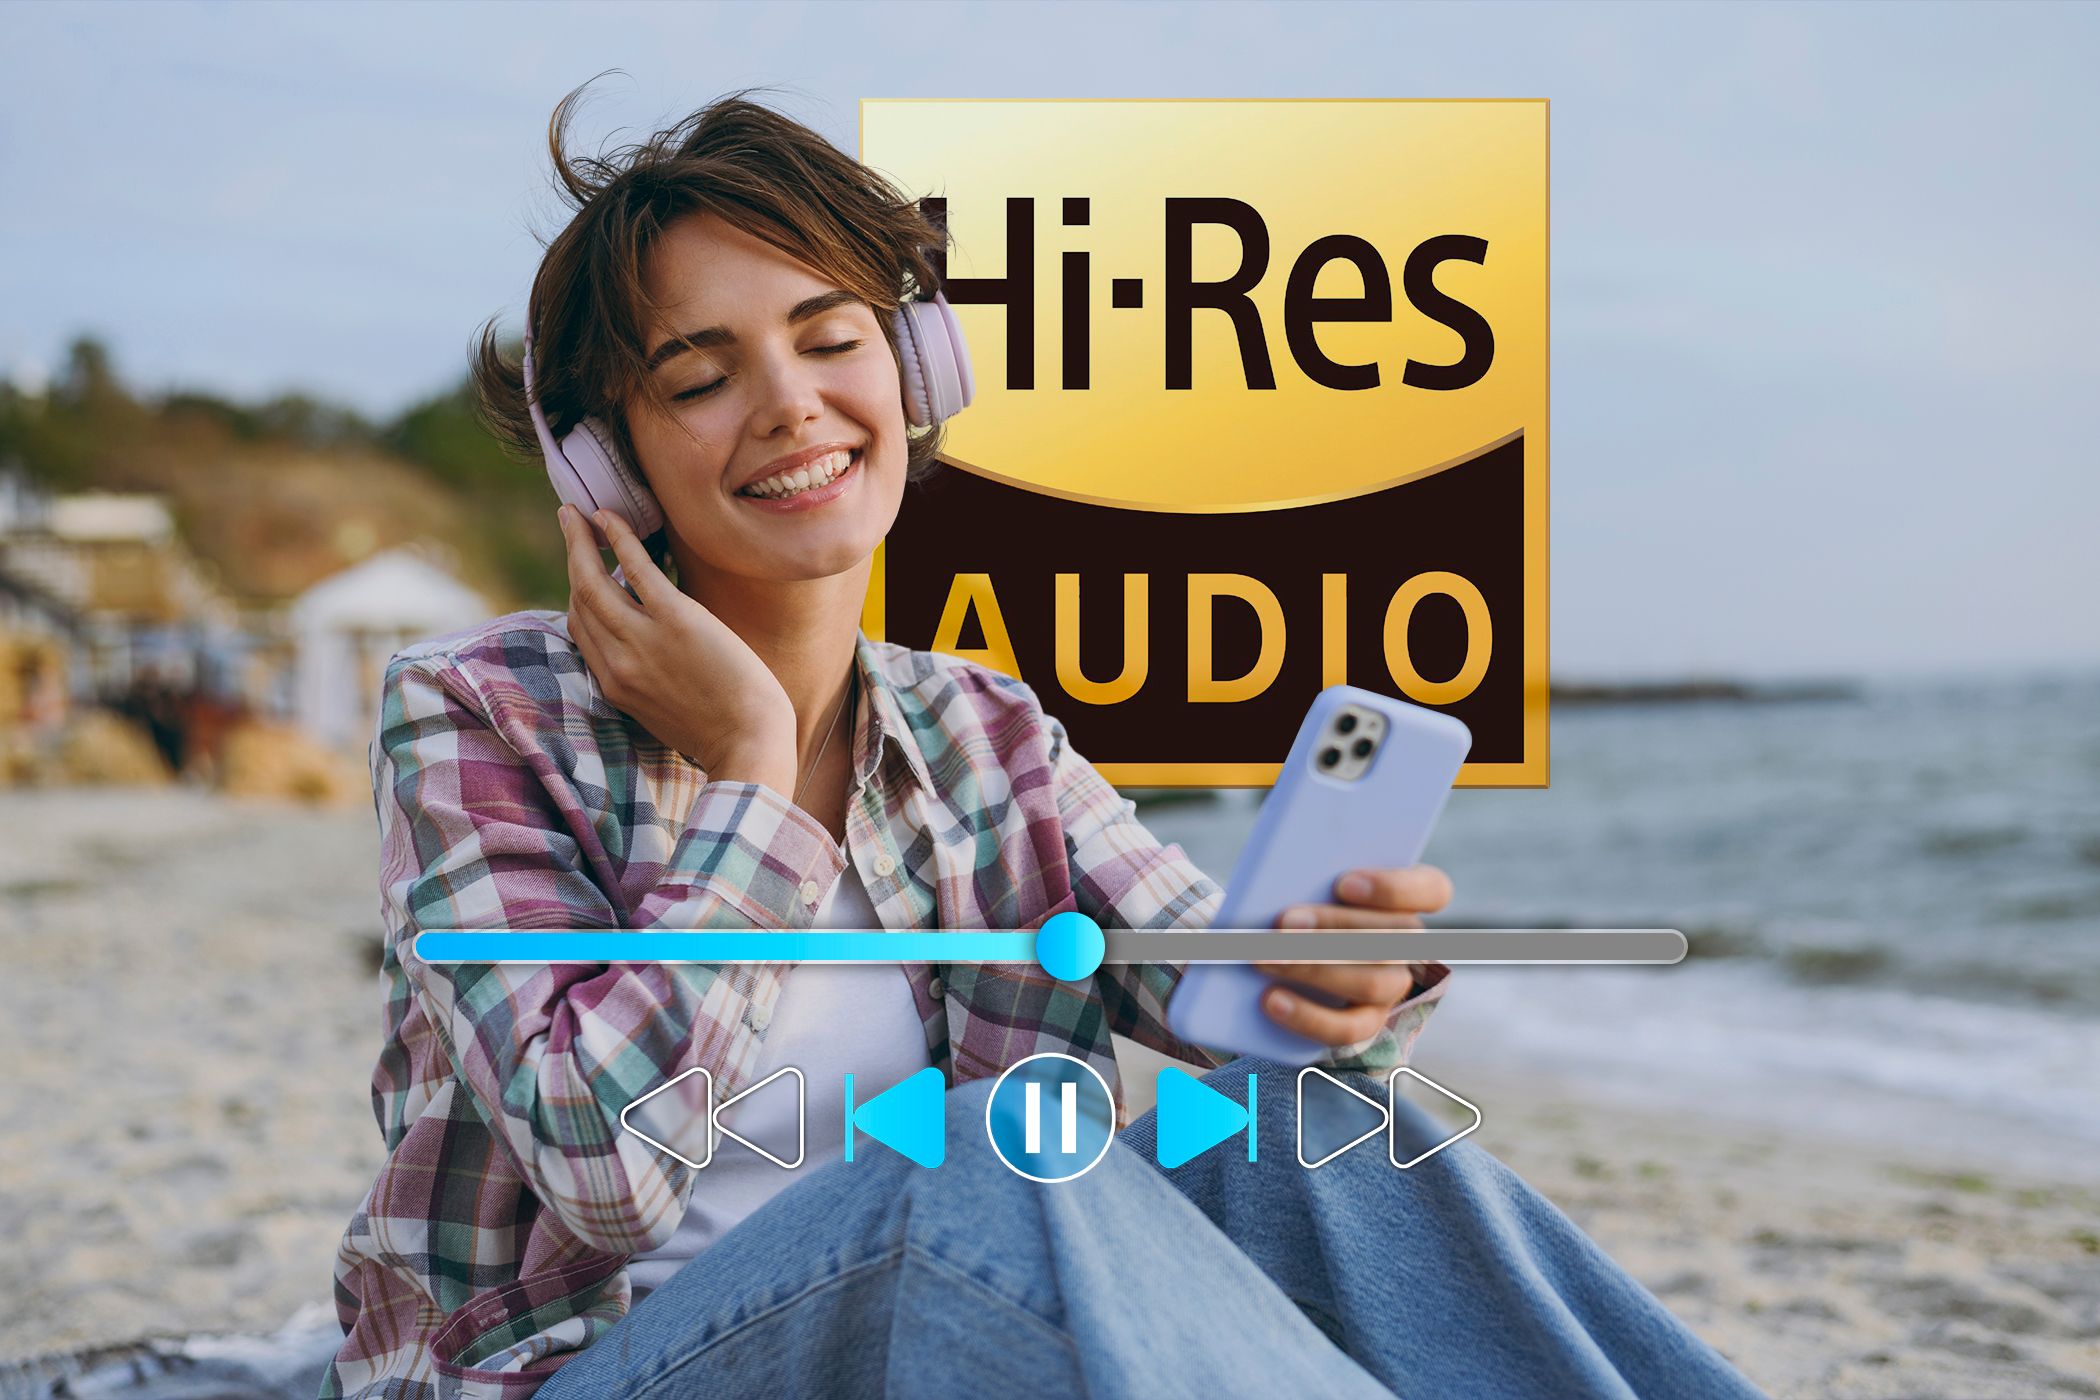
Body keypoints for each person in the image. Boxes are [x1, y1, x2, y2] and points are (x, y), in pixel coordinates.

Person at [322, 83, 1765, 1400]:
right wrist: (755, 771)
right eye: (702, 379)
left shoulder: (981, 731)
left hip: (943, 1349)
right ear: (606, 460)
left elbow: (1214, 975)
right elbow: (602, 1167)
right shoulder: (475, 712)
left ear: (914, 369)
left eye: (833, 339)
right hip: (607, 1371)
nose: (791, 405)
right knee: (981, 1156)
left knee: (1311, 1130)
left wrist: (1336, 976)